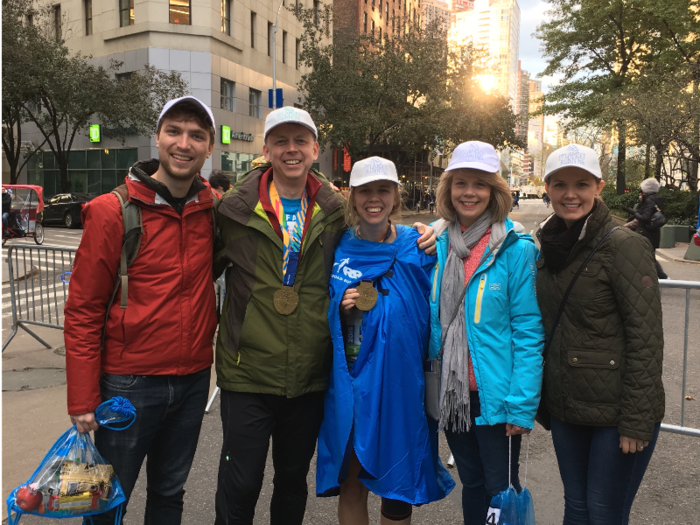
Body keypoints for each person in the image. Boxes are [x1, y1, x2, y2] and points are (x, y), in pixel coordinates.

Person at [213, 107, 436, 525]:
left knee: (292, 479)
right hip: (249, 371)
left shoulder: (335, 214)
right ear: (267, 149)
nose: (291, 149)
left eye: (301, 141)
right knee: (240, 482)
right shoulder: (232, 209)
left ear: (316, 149)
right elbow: (197, 271)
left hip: (308, 372)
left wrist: (427, 232)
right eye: (282, 141)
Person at [64, 96, 218, 524]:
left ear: (210, 149)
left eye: (196, 135)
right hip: (129, 384)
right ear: (157, 137)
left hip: (192, 379)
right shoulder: (112, 211)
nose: (184, 143)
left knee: (170, 491)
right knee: (108, 499)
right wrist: (82, 399)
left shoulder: (213, 208)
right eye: (174, 131)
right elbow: (83, 310)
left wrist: (409, 234)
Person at [316, 157, 454, 525]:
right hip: (353, 385)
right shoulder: (339, 248)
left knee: (397, 487)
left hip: (400, 385)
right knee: (351, 482)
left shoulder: (420, 245)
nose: (373, 199)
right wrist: (341, 309)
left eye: (383, 190)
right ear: (352, 197)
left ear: (395, 196)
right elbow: (319, 308)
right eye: (365, 191)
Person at [537, 144, 665, 525]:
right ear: (547, 188)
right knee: (576, 507)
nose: (570, 194)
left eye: (581, 184)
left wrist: (637, 421)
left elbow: (646, 337)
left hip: (616, 415)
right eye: (560, 184)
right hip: (567, 407)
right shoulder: (548, 243)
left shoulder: (624, 245)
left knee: (605, 512)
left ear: (599, 187)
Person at [429, 141, 544, 525]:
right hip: (453, 392)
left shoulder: (514, 247)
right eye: (460, 182)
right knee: (473, 484)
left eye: (480, 184)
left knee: (500, 489)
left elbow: (528, 330)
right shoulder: (436, 241)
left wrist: (522, 404)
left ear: (495, 190)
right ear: (449, 189)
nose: (469, 192)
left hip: (498, 395)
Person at [624, 178, 668, 279]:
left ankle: (663, 277)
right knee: (648, 257)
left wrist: (633, 212)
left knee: (646, 257)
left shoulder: (649, 200)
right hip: (652, 233)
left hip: (646, 234)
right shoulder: (656, 199)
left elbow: (644, 217)